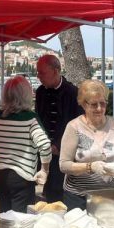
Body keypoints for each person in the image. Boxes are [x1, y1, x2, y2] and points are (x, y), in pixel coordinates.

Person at [0, 75, 52, 212]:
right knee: (20, 222)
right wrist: (44, 170)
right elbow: (45, 144)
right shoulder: (31, 119)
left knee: (1, 220)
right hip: (22, 177)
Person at [59, 80, 114, 210]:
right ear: (84, 105)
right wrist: (90, 167)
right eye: (94, 104)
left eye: (103, 103)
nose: (99, 108)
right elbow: (64, 165)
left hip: (110, 196)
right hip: (78, 197)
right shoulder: (74, 127)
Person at [35, 54, 83, 202]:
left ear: (56, 71)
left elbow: (78, 125)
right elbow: (39, 120)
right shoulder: (40, 92)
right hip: (44, 152)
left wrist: (57, 145)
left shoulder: (73, 93)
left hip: (64, 155)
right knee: (46, 192)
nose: (38, 76)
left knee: (59, 195)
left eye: (42, 72)